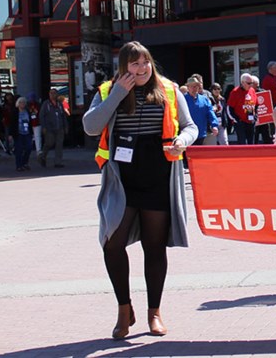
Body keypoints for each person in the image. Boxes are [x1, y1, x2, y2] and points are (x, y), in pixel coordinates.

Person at [82, 41, 197, 340]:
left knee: (154, 246)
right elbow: (91, 127)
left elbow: (190, 126)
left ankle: (154, 313)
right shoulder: (108, 90)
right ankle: (124, 309)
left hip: (158, 172)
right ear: (123, 67)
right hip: (122, 176)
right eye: (133, 64)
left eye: (144, 62)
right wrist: (119, 92)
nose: (141, 69)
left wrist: (183, 141)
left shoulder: (169, 89)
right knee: (112, 241)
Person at [184, 76, 219, 146]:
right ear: (188, 88)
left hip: (201, 133)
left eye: (196, 86)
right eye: (192, 86)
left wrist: (214, 125)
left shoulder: (204, 99)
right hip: (187, 134)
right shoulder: (183, 99)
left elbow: (210, 113)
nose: (195, 88)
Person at [39, 87, 68, 168]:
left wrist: (65, 126)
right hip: (49, 128)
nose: (52, 95)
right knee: (49, 143)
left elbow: (63, 116)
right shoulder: (46, 104)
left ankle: (58, 162)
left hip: (59, 127)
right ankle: (43, 156)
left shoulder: (59, 104)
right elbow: (41, 116)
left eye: (54, 93)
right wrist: (43, 127)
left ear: (57, 94)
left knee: (59, 145)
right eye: (51, 93)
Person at [227, 73, 257, 145]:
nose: (250, 85)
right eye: (248, 83)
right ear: (242, 82)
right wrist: (237, 120)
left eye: (252, 83)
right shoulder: (235, 92)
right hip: (240, 122)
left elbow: (256, 105)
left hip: (250, 121)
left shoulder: (252, 90)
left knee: (251, 143)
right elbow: (229, 108)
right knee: (242, 143)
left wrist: (255, 117)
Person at [14, 97, 33, 172]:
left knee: (29, 148)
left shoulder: (27, 111)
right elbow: (12, 123)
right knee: (19, 150)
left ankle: (25, 162)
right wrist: (10, 135)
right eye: (21, 102)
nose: (22, 104)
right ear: (18, 104)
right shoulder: (15, 112)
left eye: (24, 103)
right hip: (18, 133)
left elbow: (30, 121)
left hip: (27, 132)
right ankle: (19, 165)